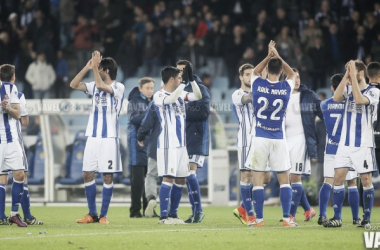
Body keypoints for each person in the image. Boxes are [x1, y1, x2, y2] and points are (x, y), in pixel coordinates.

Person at [245, 41, 297, 227]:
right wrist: (278, 56)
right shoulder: (286, 87)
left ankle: (258, 220)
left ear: (268, 68)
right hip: (278, 138)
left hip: (260, 138)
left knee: (258, 180)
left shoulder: (257, 84)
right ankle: (285, 219)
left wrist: (268, 56)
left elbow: (256, 72)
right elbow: (292, 74)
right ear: (281, 71)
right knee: (284, 180)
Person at [70, 51, 125, 224]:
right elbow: (73, 84)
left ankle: (103, 215)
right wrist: (87, 67)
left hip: (109, 137)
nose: (97, 70)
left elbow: (102, 86)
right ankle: (92, 214)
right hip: (92, 137)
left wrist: (95, 66)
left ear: (106, 70)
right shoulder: (93, 85)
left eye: (99, 68)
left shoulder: (118, 87)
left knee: (107, 176)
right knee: (87, 174)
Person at [324, 60, 379, 228]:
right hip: (345, 145)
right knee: (338, 178)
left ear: (360, 73)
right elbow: (335, 97)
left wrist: (354, 77)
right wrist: (347, 75)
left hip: (363, 144)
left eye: (353, 72)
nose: (349, 79)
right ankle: (337, 217)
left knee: (366, 179)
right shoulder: (348, 88)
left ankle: (366, 219)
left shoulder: (374, 91)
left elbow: (360, 99)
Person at [153, 66, 202, 224]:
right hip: (168, 144)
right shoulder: (159, 95)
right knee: (168, 178)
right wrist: (183, 84)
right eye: (180, 78)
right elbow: (170, 100)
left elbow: (198, 95)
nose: (182, 81)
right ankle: (163, 217)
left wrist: (192, 81)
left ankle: (173, 214)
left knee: (181, 179)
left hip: (182, 145)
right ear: (172, 79)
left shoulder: (181, 94)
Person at [232, 63, 271, 225]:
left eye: (252, 74)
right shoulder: (237, 94)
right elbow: (248, 98)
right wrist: (262, 82)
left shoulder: (260, 91)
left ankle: (242, 207)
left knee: (266, 178)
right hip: (246, 140)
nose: (249, 77)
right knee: (247, 176)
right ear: (241, 77)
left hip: (262, 138)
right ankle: (249, 214)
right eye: (247, 74)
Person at [318, 73, 360, 225]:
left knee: (328, 181)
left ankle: (322, 215)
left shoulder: (324, 104)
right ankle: (356, 218)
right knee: (352, 182)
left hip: (331, 148)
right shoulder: (351, 105)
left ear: (331, 88)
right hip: (349, 148)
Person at [285, 68, 323, 222]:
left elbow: (322, 112)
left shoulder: (308, 95)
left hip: (301, 140)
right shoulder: (282, 95)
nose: (297, 80)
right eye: (293, 77)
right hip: (283, 141)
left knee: (295, 177)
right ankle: (308, 209)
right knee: (287, 179)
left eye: (298, 77)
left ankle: (291, 215)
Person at [176, 60, 210, 223]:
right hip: (182, 138)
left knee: (190, 173)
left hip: (196, 137)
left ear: (189, 70)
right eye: (178, 70)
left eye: (183, 70)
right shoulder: (177, 90)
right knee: (185, 175)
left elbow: (203, 113)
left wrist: (181, 114)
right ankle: (195, 210)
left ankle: (199, 210)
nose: (180, 73)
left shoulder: (200, 89)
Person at [0, 64, 27, 227]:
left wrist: (7, 107)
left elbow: (18, 115)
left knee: (19, 174)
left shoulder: (11, 89)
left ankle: (14, 214)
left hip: (11, 140)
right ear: (13, 75)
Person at [127, 77, 154, 218]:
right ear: (140, 89)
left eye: (152, 88)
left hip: (148, 143)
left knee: (149, 177)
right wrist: (150, 116)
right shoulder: (134, 102)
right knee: (137, 180)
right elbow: (133, 119)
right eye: (147, 88)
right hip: (136, 143)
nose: (150, 91)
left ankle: (148, 209)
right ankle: (135, 210)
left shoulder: (152, 101)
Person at [137, 101, 160, 218]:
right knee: (171, 177)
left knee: (151, 175)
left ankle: (151, 197)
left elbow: (147, 123)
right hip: (175, 146)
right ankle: (170, 207)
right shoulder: (181, 98)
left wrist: (140, 136)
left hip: (156, 145)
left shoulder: (156, 101)